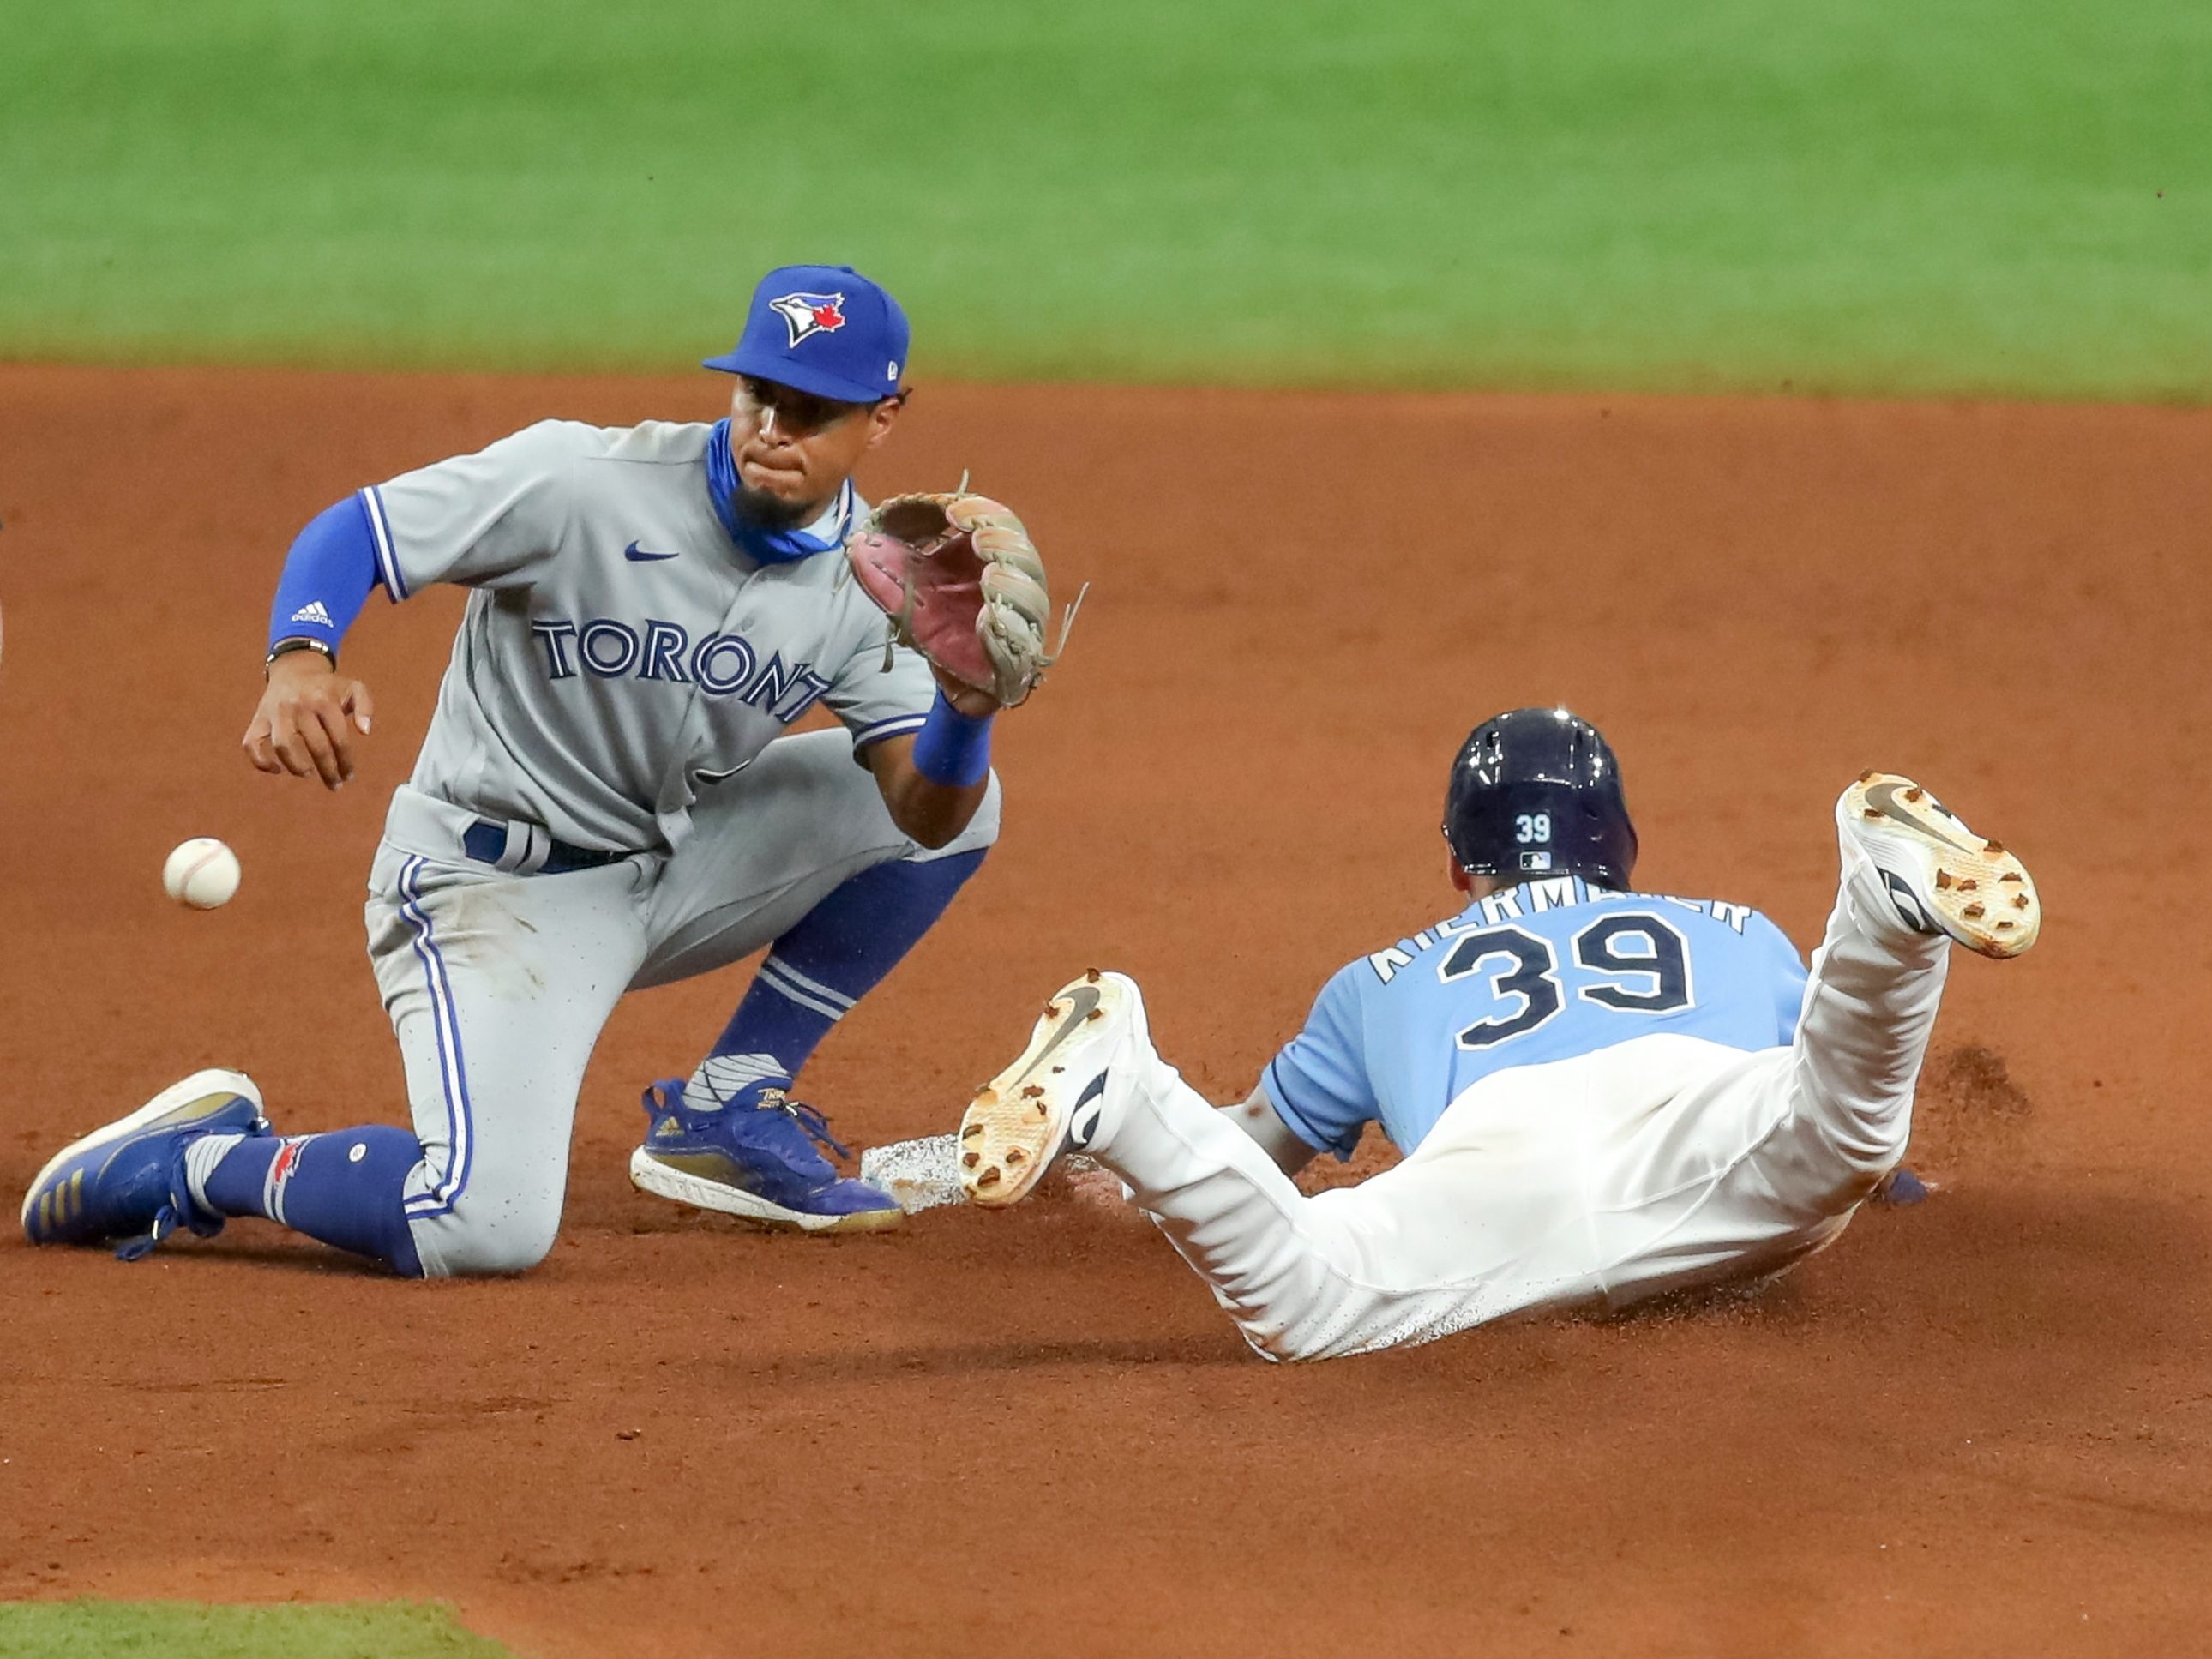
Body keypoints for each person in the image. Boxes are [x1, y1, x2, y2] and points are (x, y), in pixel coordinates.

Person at [22, 264, 1056, 1275]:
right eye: (759, 396)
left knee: (976, 805)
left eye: (812, 411)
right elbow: (362, 530)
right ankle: (200, 1157)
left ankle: (730, 1104)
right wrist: (301, 658)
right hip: (490, 891)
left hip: (669, 866)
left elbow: (925, 815)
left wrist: (965, 716)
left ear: (882, 417)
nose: (772, 431)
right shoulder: (582, 483)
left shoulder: (873, 582)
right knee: (482, 1224)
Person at [955, 708, 2041, 1361]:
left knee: (1305, 1301)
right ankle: (1882, 906)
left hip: (1496, 1163)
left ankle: (1129, 1092)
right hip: (1700, 1107)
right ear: (1620, 844)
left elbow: (1255, 1147)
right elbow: (1834, 1106)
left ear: (1455, 865)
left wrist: (1113, 1183)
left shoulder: (1374, 981)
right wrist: (1895, 1181)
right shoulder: (1735, 929)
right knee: (1845, 1131)